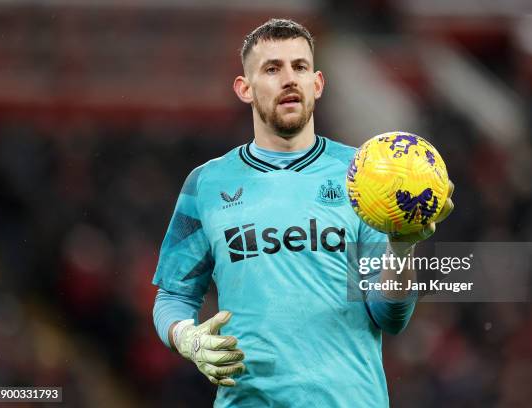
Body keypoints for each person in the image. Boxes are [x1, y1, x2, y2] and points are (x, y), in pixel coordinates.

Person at [152, 18, 453, 407]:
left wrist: (401, 248)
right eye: (272, 68)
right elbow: (173, 296)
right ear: (245, 89)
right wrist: (187, 339)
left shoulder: (365, 178)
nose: (289, 78)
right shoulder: (206, 184)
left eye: (300, 67)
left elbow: (389, 318)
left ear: (318, 83)